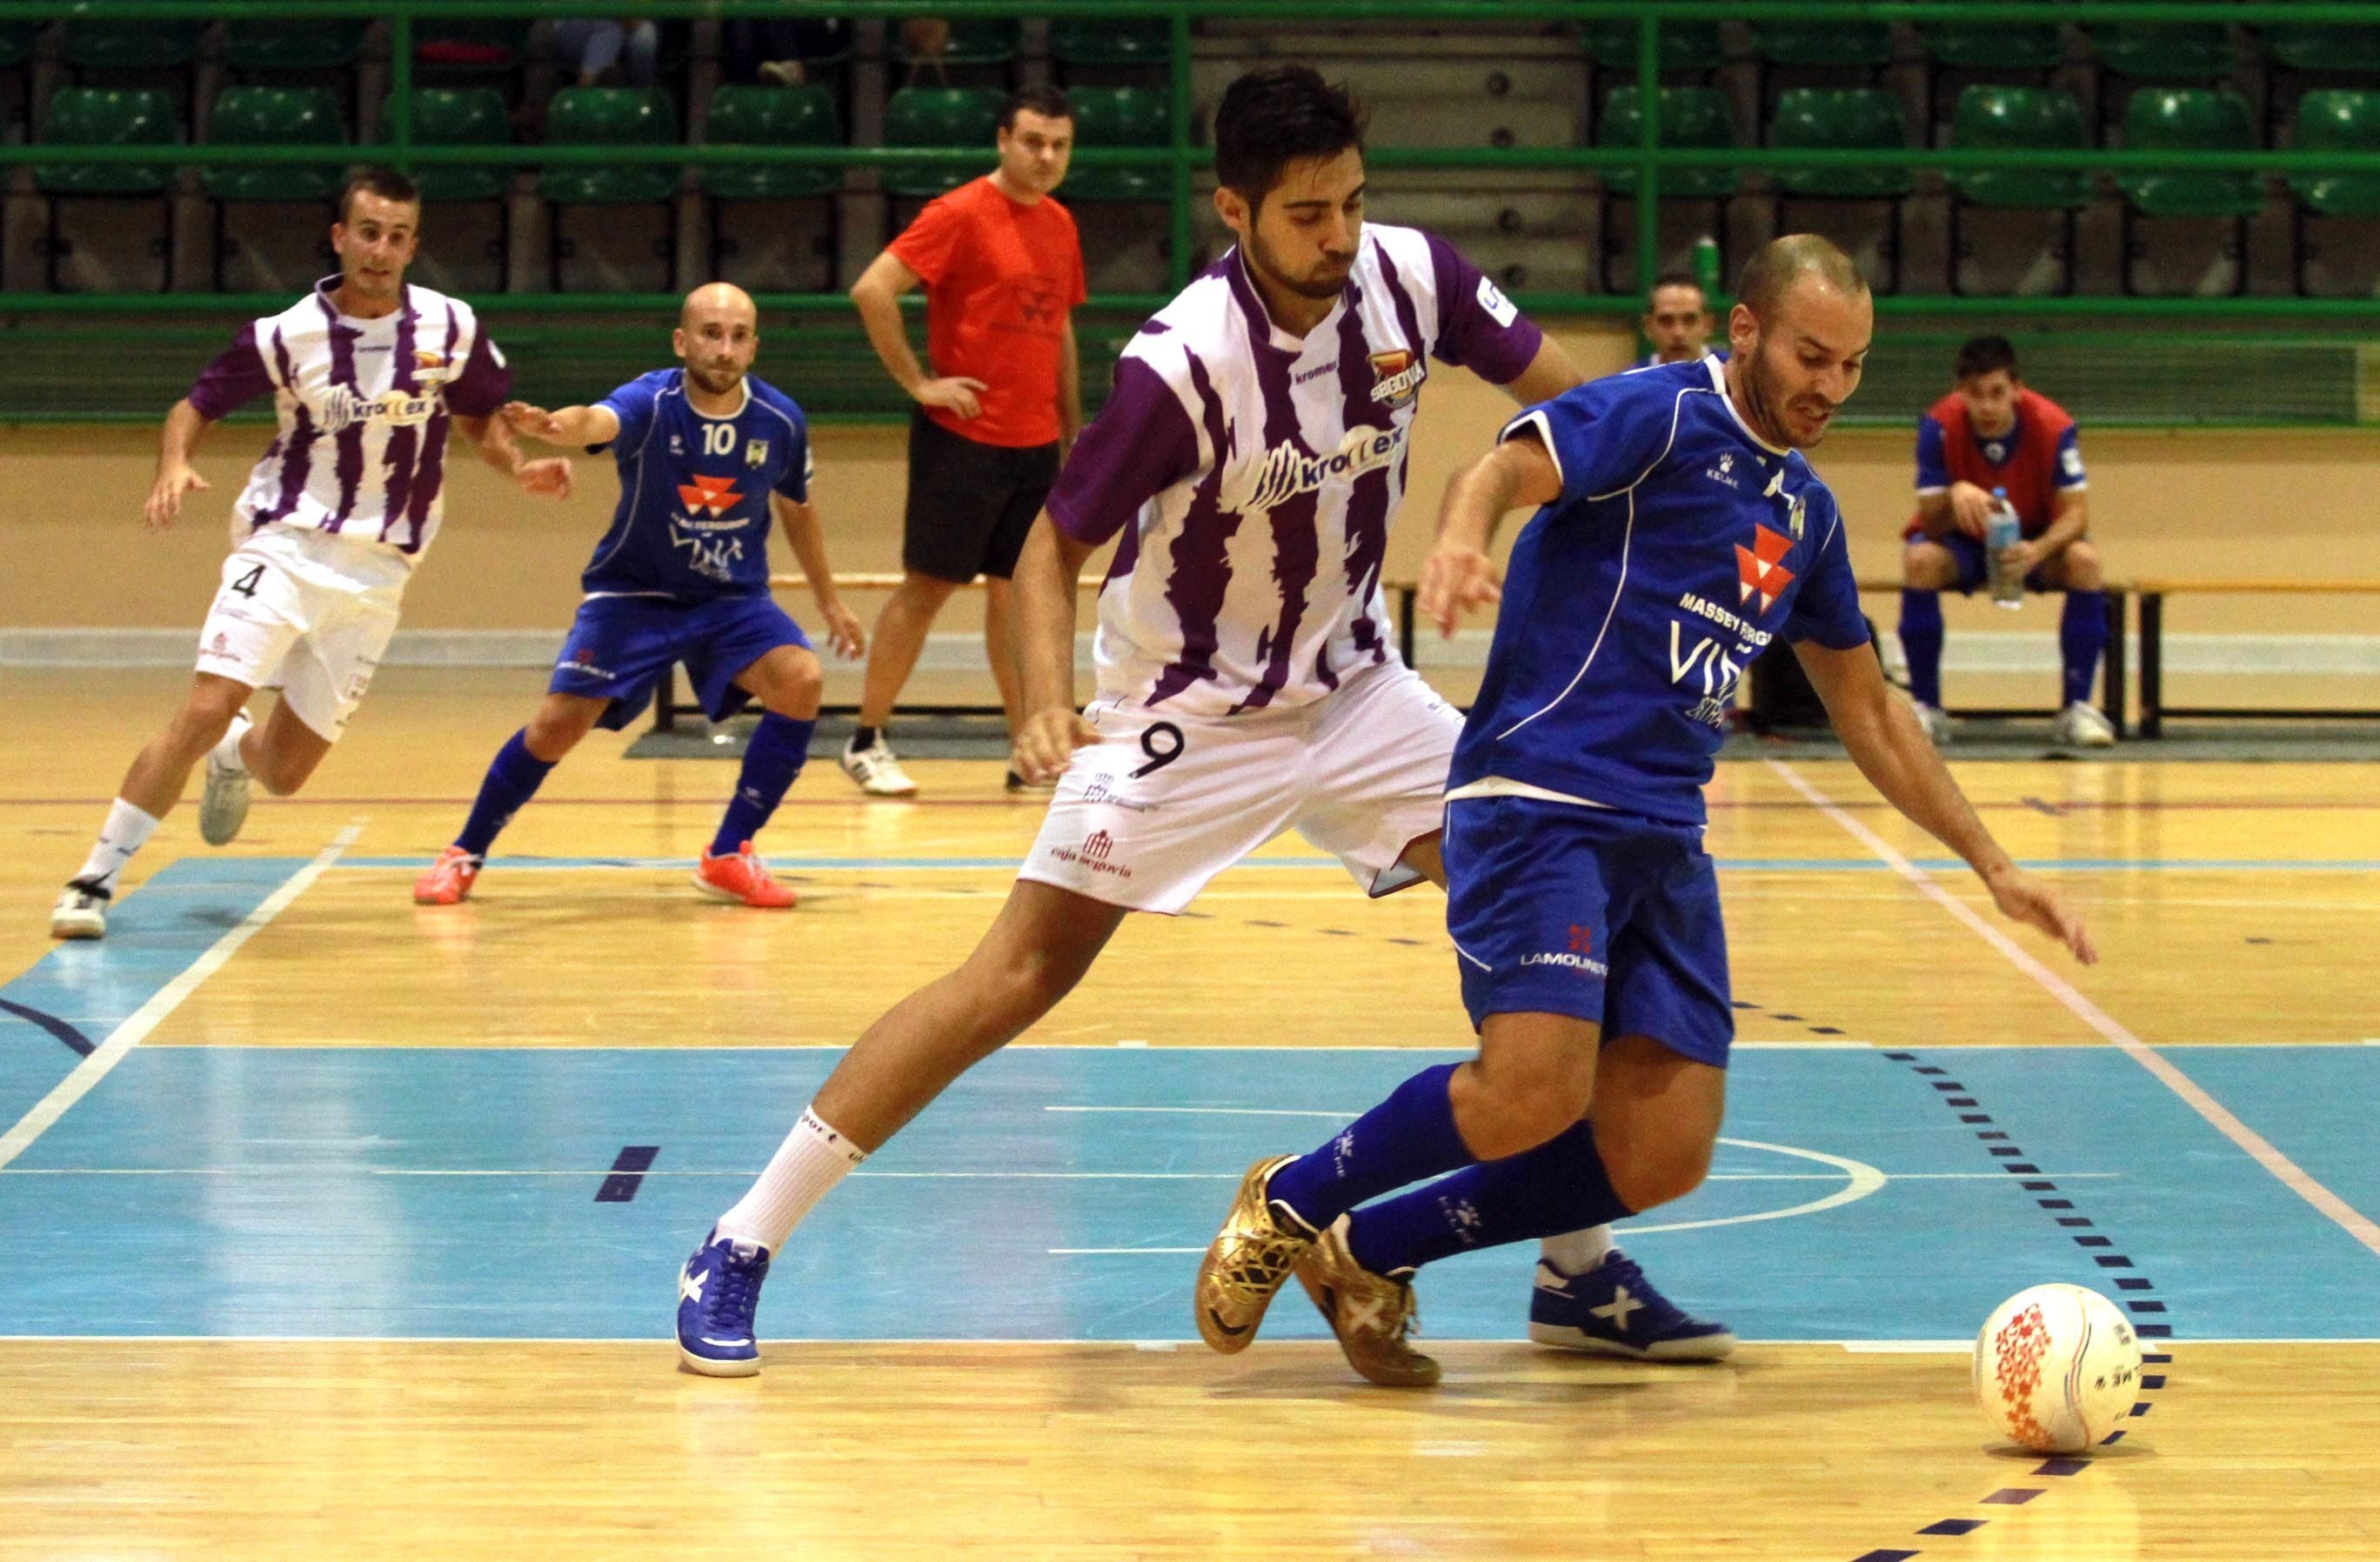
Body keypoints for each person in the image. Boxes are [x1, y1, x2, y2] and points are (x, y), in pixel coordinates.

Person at [670, 64, 1722, 1377]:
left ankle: (1574, 1271)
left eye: (1349, 203)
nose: (1337, 237)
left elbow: (1570, 408)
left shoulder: (1415, 279)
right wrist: (1048, 703)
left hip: (1361, 691)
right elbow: (1056, 545)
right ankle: (738, 1239)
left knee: (1548, 934)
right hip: (1190, 713)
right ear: (1234, 209)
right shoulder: (1181, 366)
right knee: (1016, 978)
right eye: (1305, 215)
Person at [1191, 237, 2100, 1389]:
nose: (1829, 386)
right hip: (1541, 800)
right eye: (1812, 355)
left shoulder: (1806, 516)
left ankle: (1370, 1252)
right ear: (1747, 329)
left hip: (1665, 839)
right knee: (1532, 1086)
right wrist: (1466, 538)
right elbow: (1508, 464)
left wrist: (1993, 863)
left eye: (1854, 367)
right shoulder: (1661, 415)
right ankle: (1292, 1198)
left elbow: (1867, 710)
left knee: (1663, 1151)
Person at [50, 169, 570, 942]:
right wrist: (173, 462)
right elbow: (192, 406)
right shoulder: (286, 333)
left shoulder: (450, 326)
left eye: (397, 237)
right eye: (368, 232)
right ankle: (92, 880)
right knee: (205, 703)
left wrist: (517, 465)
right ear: (340, 237)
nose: (381, 250)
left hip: (380, 570)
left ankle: (234, 755)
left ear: (413, 246)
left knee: (285, 773)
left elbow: (478, 419)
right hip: (286, 542)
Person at [411, 284, 865, 911]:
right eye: (710, 333)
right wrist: (553, 428)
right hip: (635, 594)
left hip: (731, 600)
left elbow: (799, 508)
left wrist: (829, 602)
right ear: (682, 341)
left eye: (737, 336)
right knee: (556, 727)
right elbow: (597, 420)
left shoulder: (780, 419)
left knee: (801, 678)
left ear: (754, 347)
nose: (723, 348)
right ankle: (465, 851)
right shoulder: (652, 401)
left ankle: (730, 853)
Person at [839, 85, 1083, 798]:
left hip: (1035, 444)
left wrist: (1072, 431)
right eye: (1033, 141)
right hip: (963, 441)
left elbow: (1060, 329)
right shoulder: (958, 213)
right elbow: (873, 290)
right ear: (1004, 140)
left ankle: (1026, 750)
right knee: (928, 589)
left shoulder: (1062, 225)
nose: (1046, 156)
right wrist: (919, 383)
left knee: (1017, 599)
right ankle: (866, 738)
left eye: (1059, 145)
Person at [1898, 335, 2111, 747]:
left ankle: (2077, 708)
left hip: (2033, 540)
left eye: (1997, 393)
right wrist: (1955, 491)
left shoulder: (2054, 426)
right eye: (1975, 395)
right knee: (1921, 559)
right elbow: (1932, 521)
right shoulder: (1939, 427)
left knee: (2085, 560)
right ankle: (1927, 707)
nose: (1987, 407)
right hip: (1964, 543)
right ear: (1960, 392)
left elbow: (2076, 513)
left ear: (2017, 388)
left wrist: (2037, 550)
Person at [553, 17, 659, 89]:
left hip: (622, 19)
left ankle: (644, 97)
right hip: (578, 20)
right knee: (610, 32)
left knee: (645, 35)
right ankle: (583, 93)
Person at [1638, 271, 1714, 367]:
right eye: (1666, 321)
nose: (1678, 333)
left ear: (1708, 325)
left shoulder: (1733, 376)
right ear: (1648, 326)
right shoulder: (1630, 380)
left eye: (1690, 321)